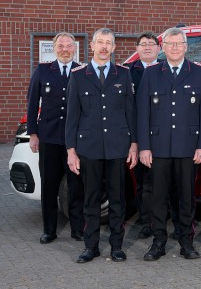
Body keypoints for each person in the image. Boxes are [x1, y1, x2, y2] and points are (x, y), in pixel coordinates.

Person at [137, 27, 201, 261]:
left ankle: (185, 240)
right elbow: (143, 113)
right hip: (158, 147)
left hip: (188, 147)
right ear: (163, 47)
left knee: (186, 197)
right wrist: (144, 147)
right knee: (158, 197)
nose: (174, 48)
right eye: (170, 44)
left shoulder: (200, 73)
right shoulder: (151, 73)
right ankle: (158, 241)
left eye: (179, 44)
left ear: (186, 47)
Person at [66, 28, 137, 263]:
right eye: (100, 42)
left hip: (117, 147)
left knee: (117, 200)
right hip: (89, 147)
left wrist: (134, 144)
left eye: (109, 43)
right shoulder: (78, 75)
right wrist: (71, 151)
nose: (104, 47)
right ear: (92, 46)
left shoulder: (123, 74)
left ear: (114, 47)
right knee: (91, 200)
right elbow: (72, 117)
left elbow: (130, 112)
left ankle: (117, 245)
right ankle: (91, 246)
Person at [27, 32, 84, 244]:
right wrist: (33, 133)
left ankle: (77, 229)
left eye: (69, 46)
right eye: (60, 46)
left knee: (76, 186)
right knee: (49, 186)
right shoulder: (42, 70)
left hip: (75, 141)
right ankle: (49, 230)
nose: (65, 49)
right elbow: (32, 103)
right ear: (54, 48)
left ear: (75, 48)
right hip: (49, 138)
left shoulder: (81, 71)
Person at [123, 31, 161, 239]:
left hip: (163, 135)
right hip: (137, 136)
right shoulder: (127, 72)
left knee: (164, 181)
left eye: (151, 44)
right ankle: (147, 222)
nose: (147, 47)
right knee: (143, 182)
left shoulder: (166, 69)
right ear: (137, 49)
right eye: (143, 44)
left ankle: (163, 220)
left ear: (158, 48)